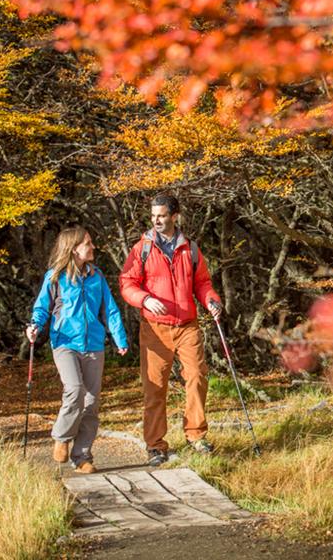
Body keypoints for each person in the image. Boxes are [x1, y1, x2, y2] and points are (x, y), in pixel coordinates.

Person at [119, 193, 222, 466]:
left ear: (175, 216)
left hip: (188, 324)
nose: (157, 221)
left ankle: (196, 436)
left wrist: (212, 300)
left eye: (162, 216)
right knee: (155, 387)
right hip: (154, 328)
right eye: (153, 216)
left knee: (198, 376)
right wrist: (145, 299)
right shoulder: (142, 248)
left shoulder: (191, 249)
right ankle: (155, 446)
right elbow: (127, 283)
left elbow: (202, 283)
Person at [26, 226, 128, 473]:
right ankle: (61, 437)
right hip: (65, 343)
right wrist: (34, 325)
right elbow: (42, 308)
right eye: (88, 243)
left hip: (93, 343)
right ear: (74, 249)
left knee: (91, 403)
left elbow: (110, 309)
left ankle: (82, 456)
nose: (93, 247)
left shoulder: (97, 276)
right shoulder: (55, 277)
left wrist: (120, 339)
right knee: (74, 390)